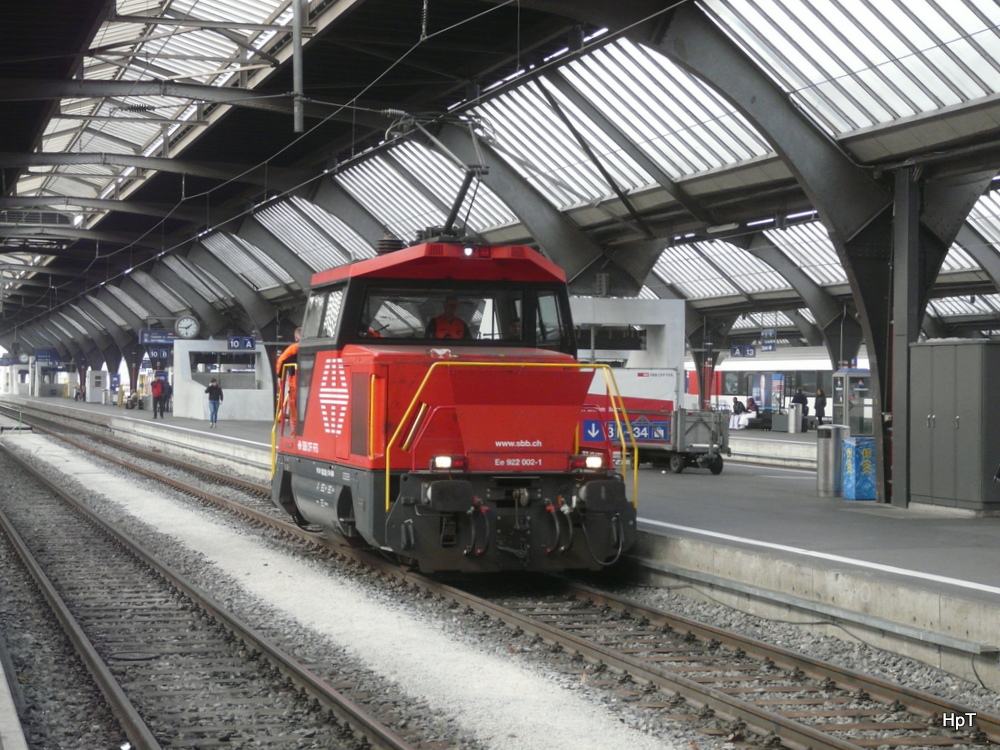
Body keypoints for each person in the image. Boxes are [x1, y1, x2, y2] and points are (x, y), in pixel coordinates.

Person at [275, 327, 301, 430]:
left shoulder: (295, 347)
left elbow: (281, 360)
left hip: (295, 382)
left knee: (294, 408)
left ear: (296, 337)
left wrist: (279, 377)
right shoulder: (318, 348)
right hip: (314, 383)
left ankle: (295, 434)